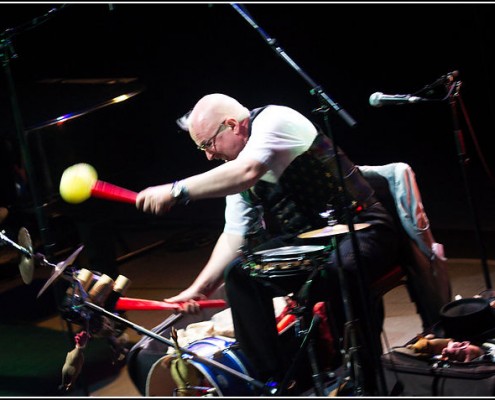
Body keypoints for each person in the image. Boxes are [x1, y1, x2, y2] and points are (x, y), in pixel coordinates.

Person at [135, 93, 400, 395]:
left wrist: (176, 190)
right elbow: (234, 235)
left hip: (363, 227)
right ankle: (274, 381)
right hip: (310, 244)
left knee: (337, 272)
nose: (208, 155)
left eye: (207, 144)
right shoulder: (236, 170)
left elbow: (247, 172)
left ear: (232, 125)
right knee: (240, 276)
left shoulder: (276, 120)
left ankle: (365, 378)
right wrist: (200, 287)